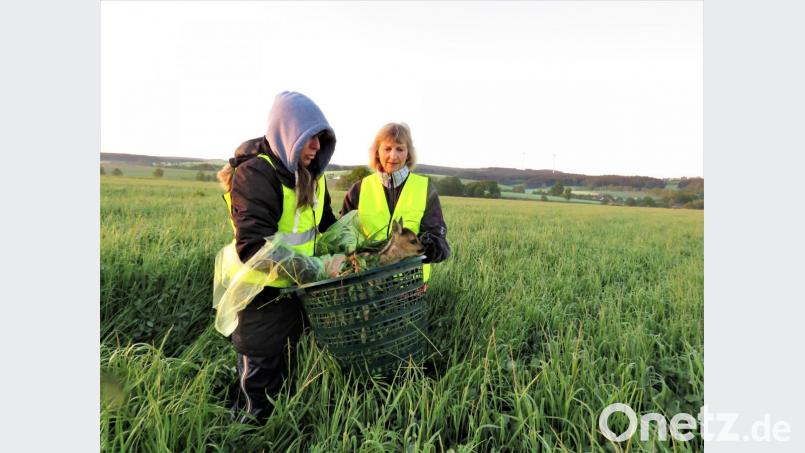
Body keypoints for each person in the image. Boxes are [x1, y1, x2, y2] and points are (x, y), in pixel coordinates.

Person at [216, 91, 342, 424]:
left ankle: (279, 430)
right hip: (259, 293)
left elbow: (324, 226)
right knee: (260, 372)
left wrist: (351, 244)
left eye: (320, 138)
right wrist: (313, 268)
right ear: (287, 132)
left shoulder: (314, 177)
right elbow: (254, 246)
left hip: (297, 291)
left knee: (288, 366)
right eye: (308, 137)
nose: (315, 146)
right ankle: (244, 434)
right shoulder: (256, 174)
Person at [341, 122, 451, 283]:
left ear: (408, 153)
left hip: (411, 284)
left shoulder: (425, 188)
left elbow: (437, 237)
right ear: (377, 152)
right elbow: (343, 237)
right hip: (368, 285)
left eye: (400, 149)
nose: (393, 156)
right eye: (387, 149)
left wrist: (430, 245)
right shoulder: (359, 190)